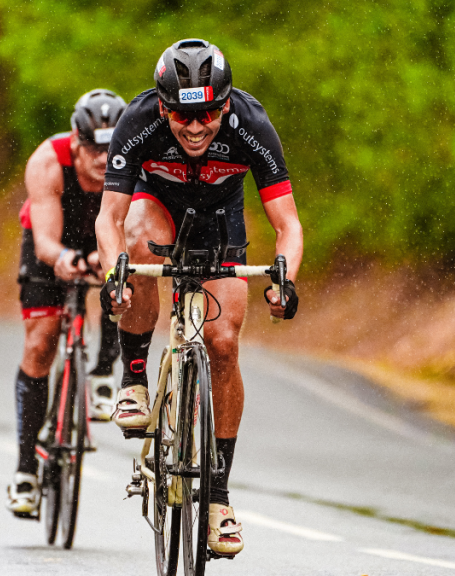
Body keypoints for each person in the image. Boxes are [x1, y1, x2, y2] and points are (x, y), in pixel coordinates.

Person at [95, 40, 303, 556]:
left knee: (224, 343)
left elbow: (288, 224)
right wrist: (113, 276)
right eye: (182, 115)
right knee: (137, 243)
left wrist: (285, 281)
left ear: (226, 104)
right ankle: (136, 378)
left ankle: (216, 498)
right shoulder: (140, 119)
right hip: (154, 205)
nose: (194, 127)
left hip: (218, 220)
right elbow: (110, 219)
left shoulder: (251, 125)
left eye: (208, 112)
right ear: (162, 106)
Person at [7, 89, 127, 517]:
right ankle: (25, 469)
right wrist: (66, 259)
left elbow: (135, 226)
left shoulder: (132, 161)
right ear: (76, 141)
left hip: (105, 241)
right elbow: (43, 242)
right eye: (95, 146)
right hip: (52, 242)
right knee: (41, 342)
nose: (103, 157)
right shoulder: (47, 161)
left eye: (111, 147)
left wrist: (106, 260)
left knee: (124, 283)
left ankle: (101, 372)